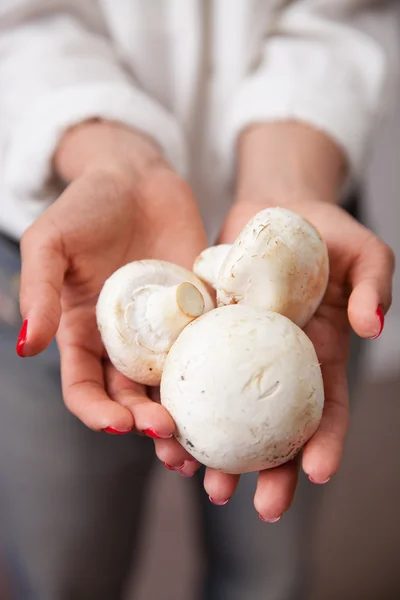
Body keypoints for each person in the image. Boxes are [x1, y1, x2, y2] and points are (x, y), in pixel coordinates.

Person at [0, 1, 397, 599]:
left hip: (309, 243)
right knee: (65, 573)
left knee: (265, 576)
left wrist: (288, 179)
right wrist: (105, 149)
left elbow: (347, 12)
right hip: (76, 260)